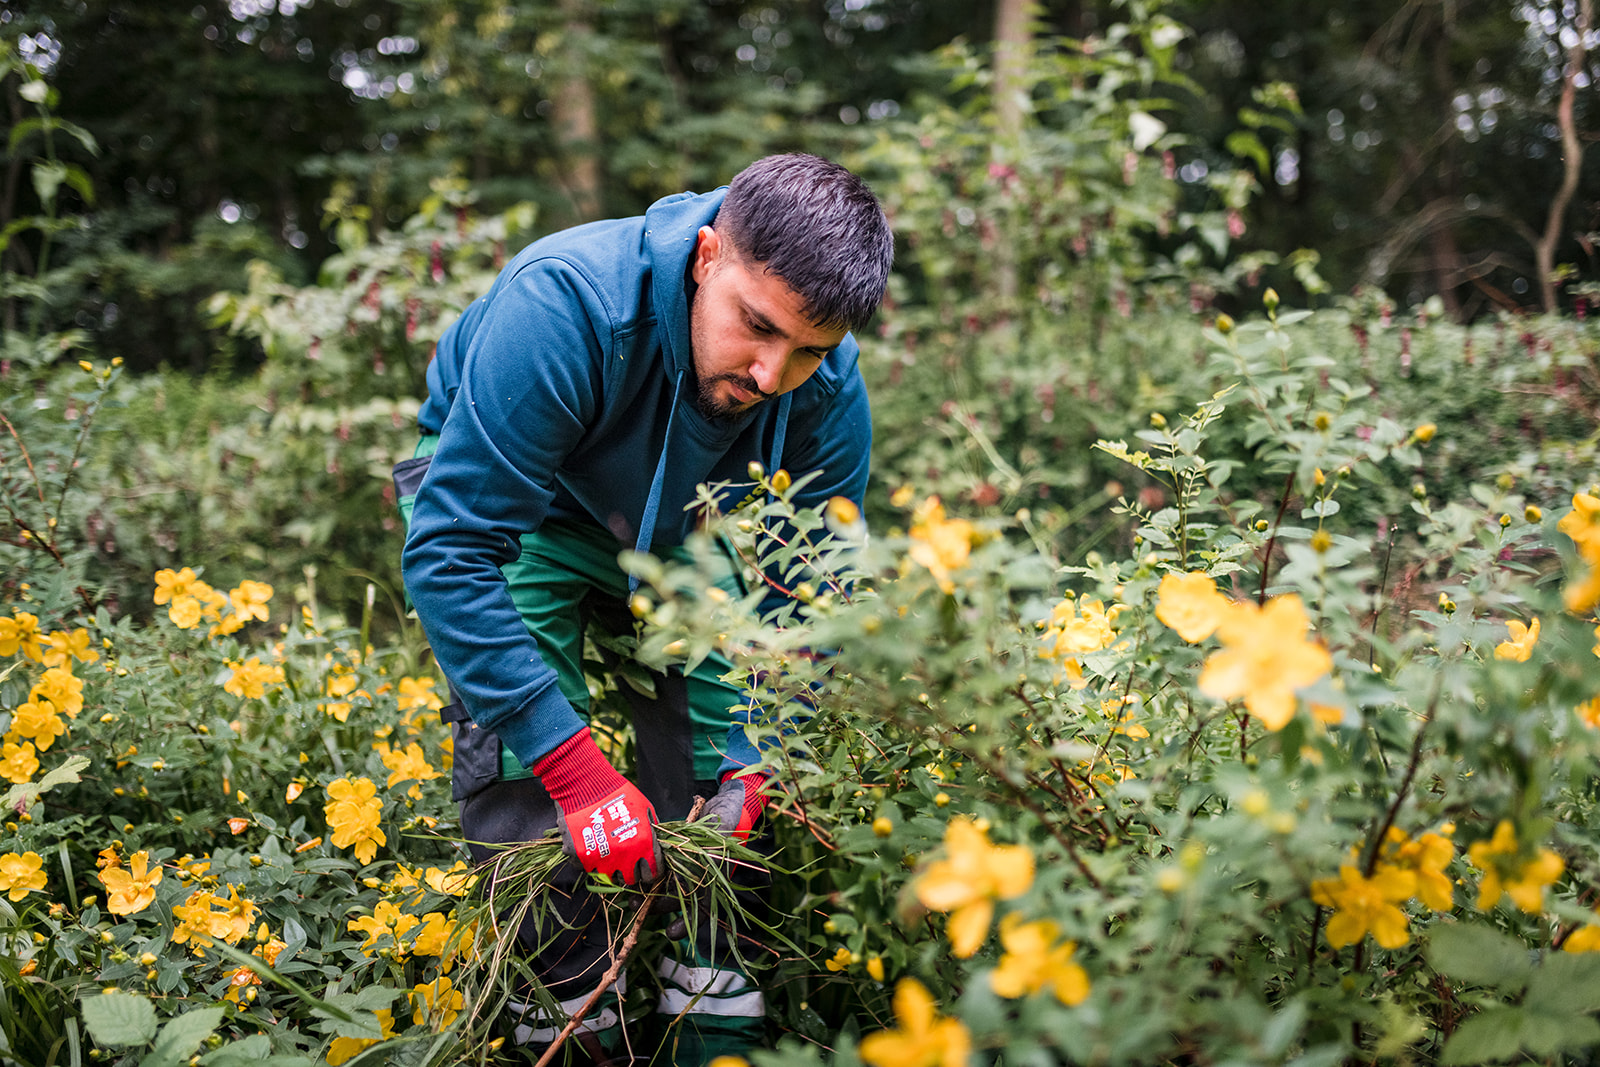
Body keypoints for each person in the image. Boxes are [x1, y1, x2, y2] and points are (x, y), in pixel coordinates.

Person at [397, 153, 893, 1065]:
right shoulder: (566, 305)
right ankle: (570, 1001)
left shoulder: (822, 385)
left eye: (809, 350)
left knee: (723, 736)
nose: (772, 373)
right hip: (526, 504)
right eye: (756, 327)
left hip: (682, 524)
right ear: (708, 255)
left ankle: (708, 998)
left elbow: (811, 595)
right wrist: (577, 774)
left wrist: (758, 756)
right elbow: (452, 551)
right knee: (523, 753)